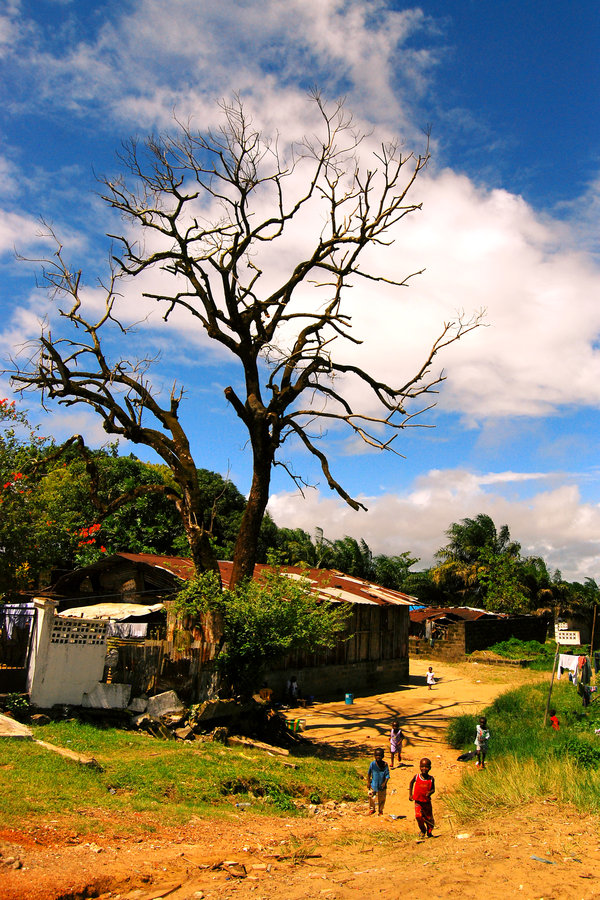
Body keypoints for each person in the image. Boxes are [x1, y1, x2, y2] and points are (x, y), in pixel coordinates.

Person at [409, 757, 435, 838]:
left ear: (430, 768)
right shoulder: (417, 777)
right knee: (418, 816)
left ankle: (429, 831)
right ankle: (422, 830)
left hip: (426, 802)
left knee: (428, 818)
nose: (424, 768)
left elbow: (433, 789)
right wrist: (410, 794)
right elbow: (411, 783)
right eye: (422, 766)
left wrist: (430, 793)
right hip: (418, 801)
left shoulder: (431, 779)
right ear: (419, 767)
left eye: (426, 767)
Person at [367, 747, 390, 816]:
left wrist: (384, 783)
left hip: (382, 785)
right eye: (376, 755)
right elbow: (369, 773)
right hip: (373, 784)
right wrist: (368, 782)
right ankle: (372, 809)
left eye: (380, 755)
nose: (378, 757)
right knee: (371, 796)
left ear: (382, 756)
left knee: (382, 799)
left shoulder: (385, 765)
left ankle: (380, 810)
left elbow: (387, 775)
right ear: (374, 756)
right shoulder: (372, 764)